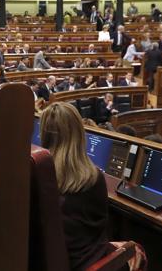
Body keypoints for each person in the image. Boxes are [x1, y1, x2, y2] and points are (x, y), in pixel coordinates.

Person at [39, 102, 109, 270]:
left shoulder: (37, 173)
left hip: (46, 262)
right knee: (136, 250)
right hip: (85, 263)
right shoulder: (93, 178)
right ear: (79, 132)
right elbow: (102, 228)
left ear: (43, 133)